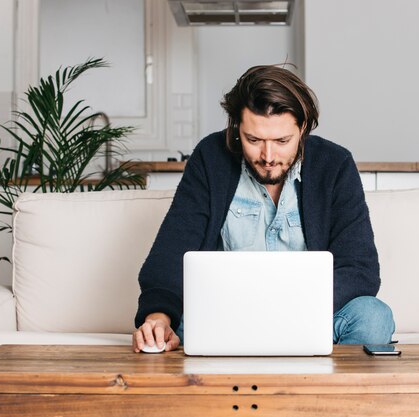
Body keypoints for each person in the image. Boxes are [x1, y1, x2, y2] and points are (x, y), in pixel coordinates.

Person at [132, 65, 395, 353]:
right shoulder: (211, 158)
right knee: (176, 326)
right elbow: (171, 252)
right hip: (225, 319)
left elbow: (360, 268)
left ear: (303, 128)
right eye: (253, 140)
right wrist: (158, 317)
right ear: (236, 129)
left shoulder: (335, 164)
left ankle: (320, 396)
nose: (268, 157)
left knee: (374, 317)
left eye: (282, 141)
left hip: (310, 317)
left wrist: (284, 309)